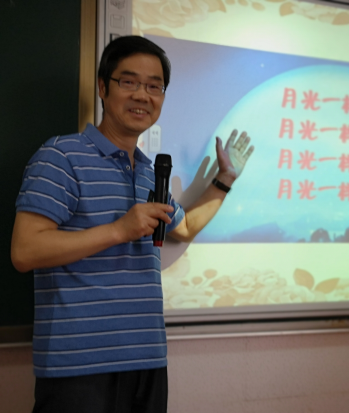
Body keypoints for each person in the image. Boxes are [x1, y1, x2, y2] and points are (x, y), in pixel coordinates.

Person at [11, 35, 254, 413]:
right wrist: (119, 230)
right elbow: (25, 251)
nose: (143, 95)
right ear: (103, 88)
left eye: (154, 86)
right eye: (129, 82)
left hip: (147, 359)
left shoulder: (148, 172)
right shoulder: (60, 156)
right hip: (79, 366)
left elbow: (185, 227)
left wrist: (224, 180)